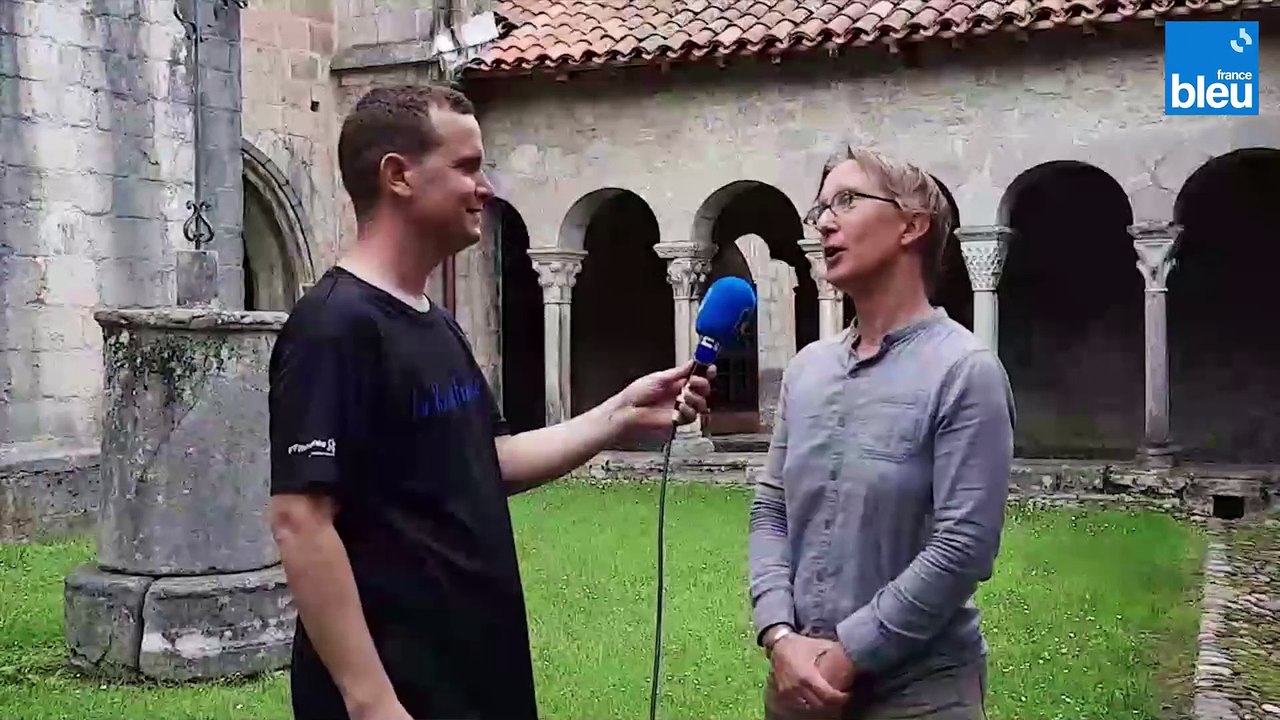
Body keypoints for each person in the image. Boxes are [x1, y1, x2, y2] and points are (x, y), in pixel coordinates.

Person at [267, 84, 714, 720]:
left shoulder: (435, 322)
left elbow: (488, 460)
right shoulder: (333, 327)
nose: (486, 188)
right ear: (398, 176)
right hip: (400, 690)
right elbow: (301, 520)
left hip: (475, 670)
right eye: (468, 167)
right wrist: (370, 700)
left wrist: (619, 415)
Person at [748, 147, 1016, 720]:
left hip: (919, 691)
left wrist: (848, 654)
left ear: (912, 225)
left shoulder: (965, 371)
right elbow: (772, 508)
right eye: (820, 207)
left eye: (846, 200)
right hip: (797, 680)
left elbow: (963, 547)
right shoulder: (808, 369)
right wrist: (778, 634)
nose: (823, 220)